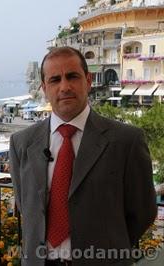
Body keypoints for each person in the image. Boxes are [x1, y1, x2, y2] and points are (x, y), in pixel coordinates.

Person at [9, 47, 157, 266]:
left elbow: (143, 212)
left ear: (88, 81)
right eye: (55, 80)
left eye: (72, 76)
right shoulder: (22, 143)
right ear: (44, 88)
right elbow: (25, 204)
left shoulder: (126, 141)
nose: (64, 87)